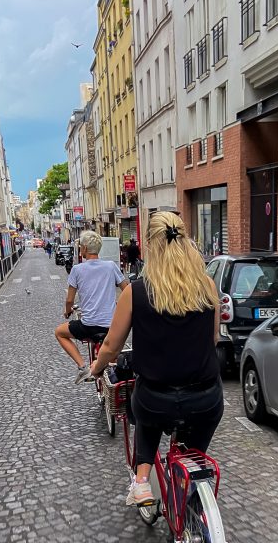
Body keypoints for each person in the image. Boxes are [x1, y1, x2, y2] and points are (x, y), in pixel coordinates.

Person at [91, 212, 223, 507]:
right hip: (206, 399)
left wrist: (97, 368)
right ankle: (188, 491)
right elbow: (213, 339)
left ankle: (141, 482)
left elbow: (112, 346)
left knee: (144, 416)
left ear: (150, 246)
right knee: (194, 453)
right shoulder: (208, 286)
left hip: (156, 399)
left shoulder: (136, 292)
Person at [55, 230, 129, 384]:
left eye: (81, 246)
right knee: (114, 354)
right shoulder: (110, 266)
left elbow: (69, 300)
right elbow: (127, 289)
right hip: (111, 325)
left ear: (84, 249)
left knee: (59, 332)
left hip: (88, 326)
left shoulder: (77, 269)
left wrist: (67, 311)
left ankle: (83, 367)